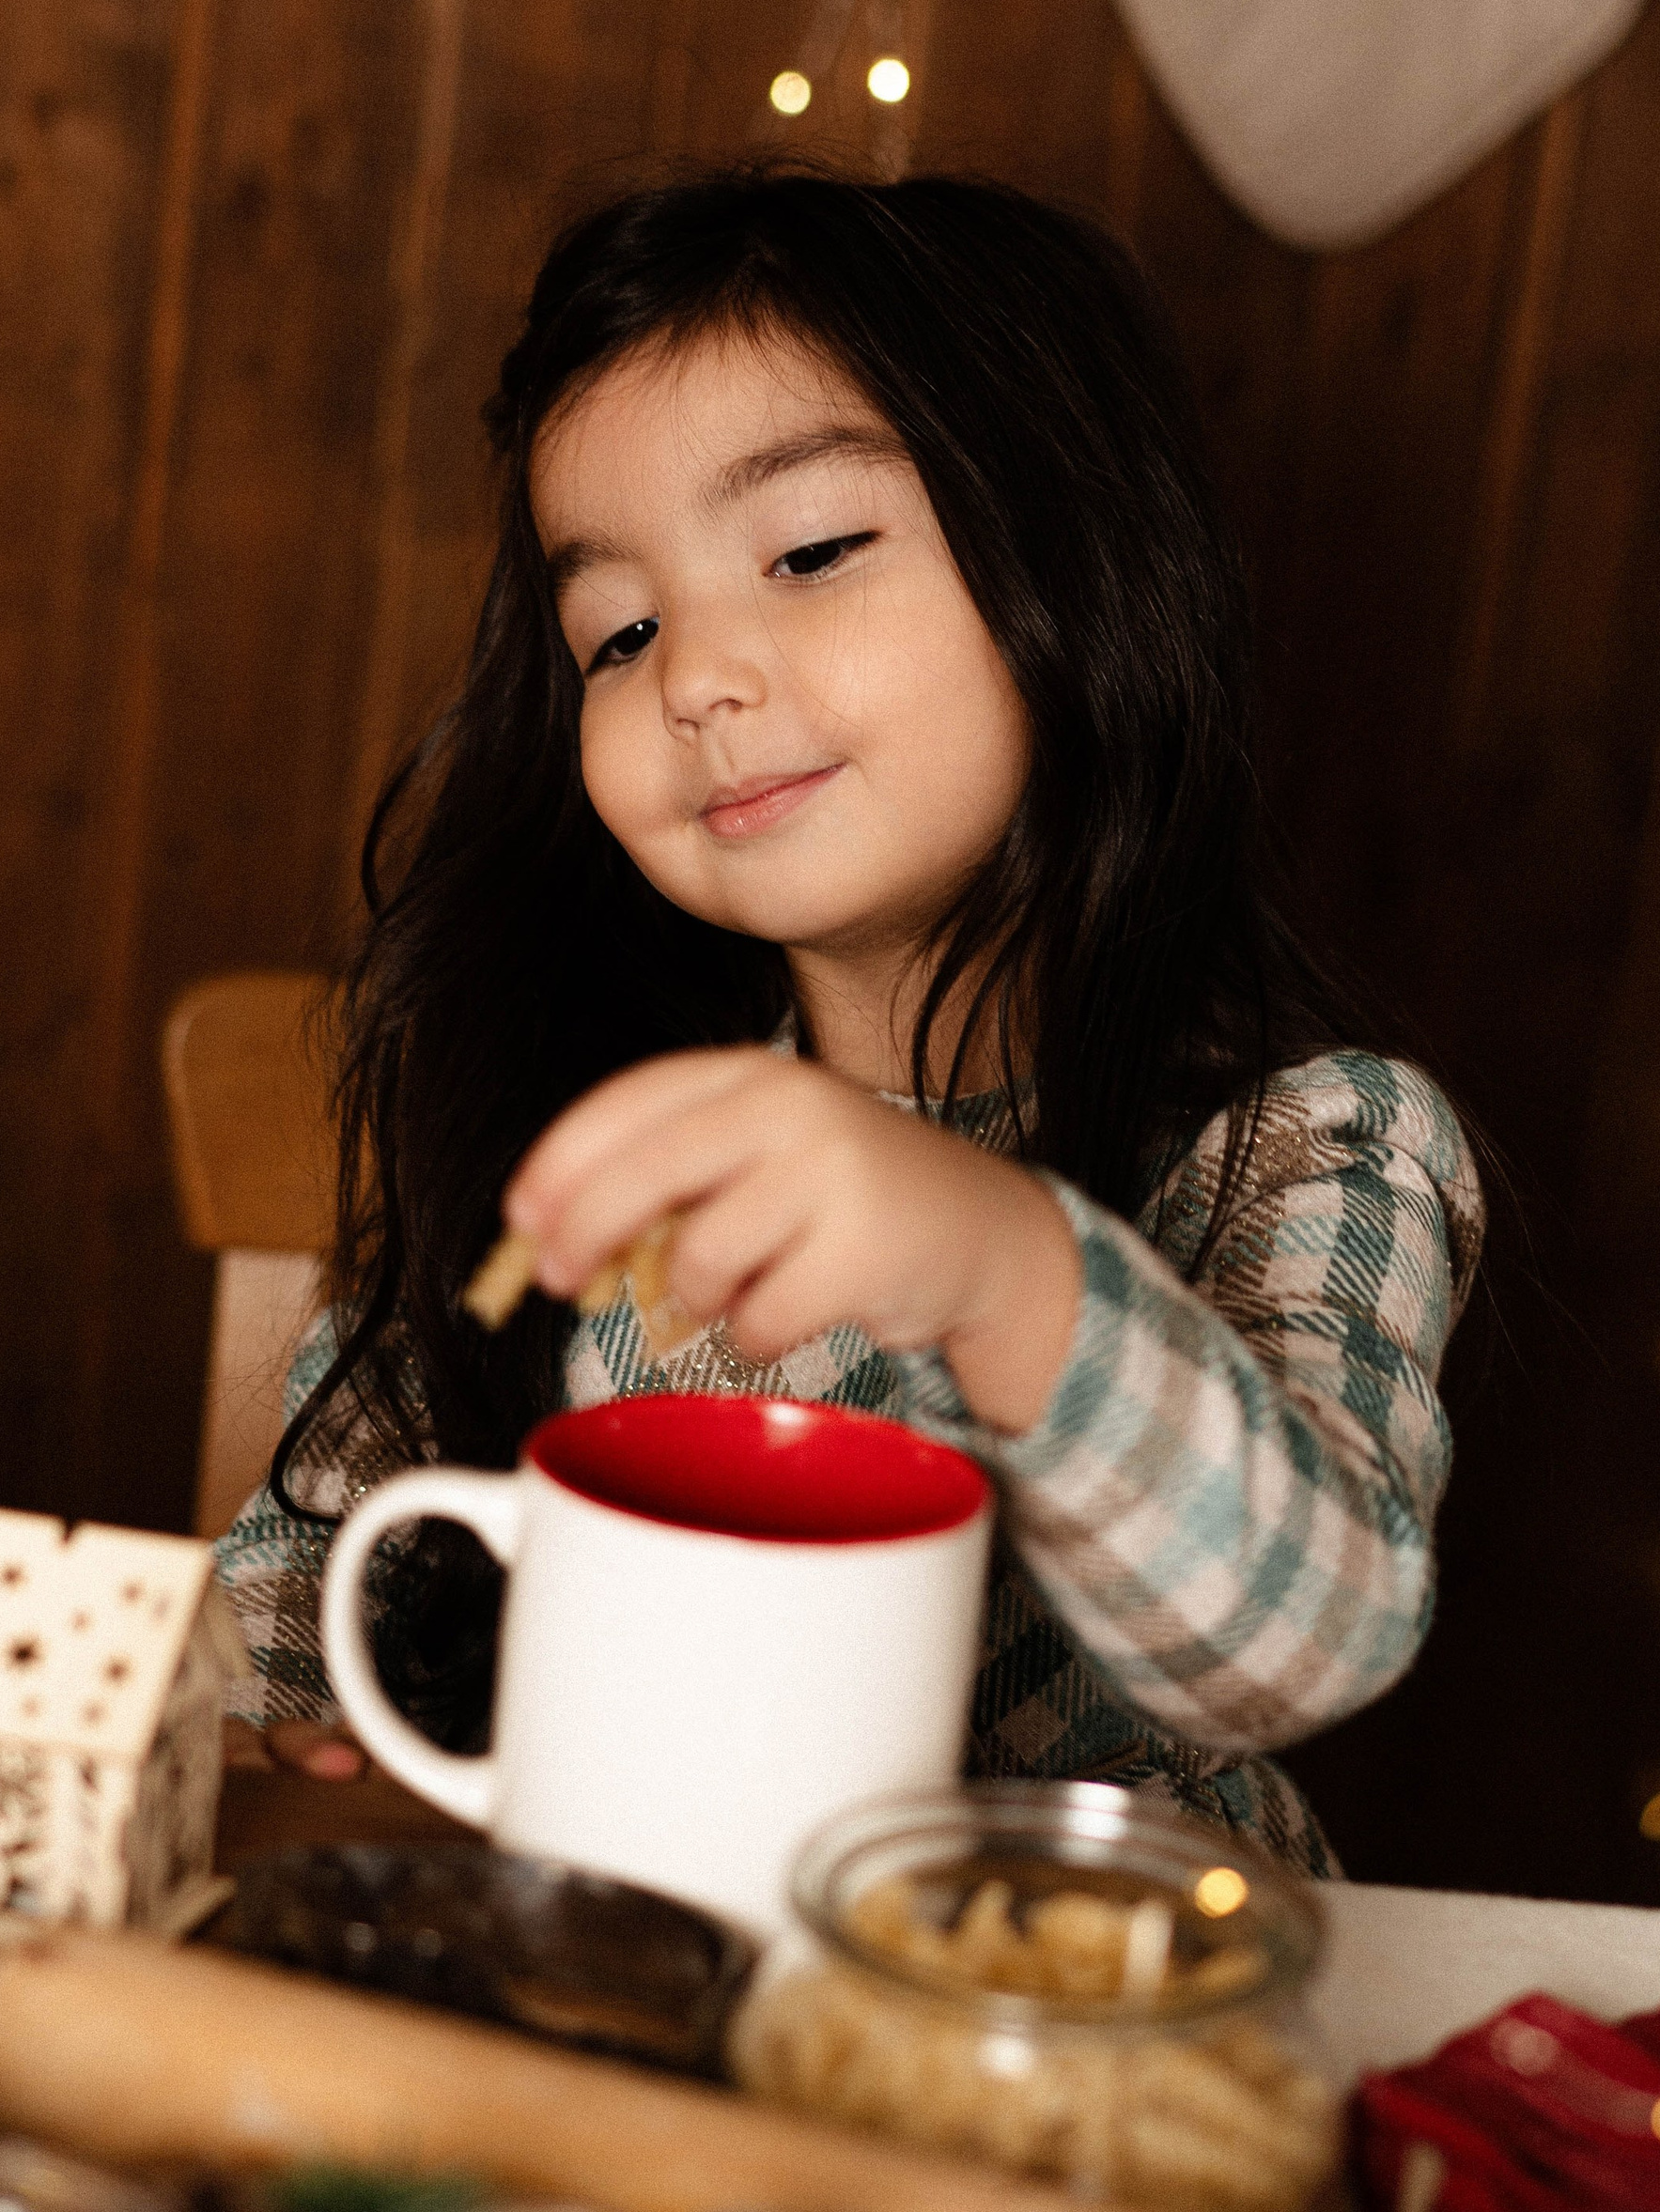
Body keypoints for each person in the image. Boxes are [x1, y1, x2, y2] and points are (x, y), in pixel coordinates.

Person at [218, 167, 1482, 1874]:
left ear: (1086, 553)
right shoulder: (569, 1139)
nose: (695, 676)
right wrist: (290, 1750)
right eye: (621, 630)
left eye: (811, 551)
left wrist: (994, 1260)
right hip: (616, 2029)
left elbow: (1305, 1635)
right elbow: (286, 1638)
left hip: (1067, 2075)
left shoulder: (1318, 1139)